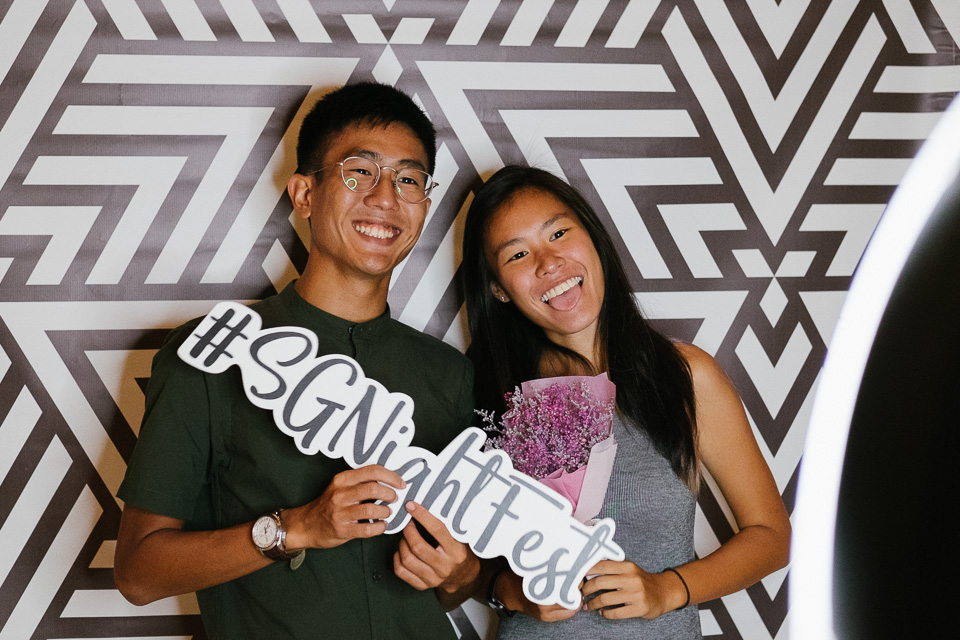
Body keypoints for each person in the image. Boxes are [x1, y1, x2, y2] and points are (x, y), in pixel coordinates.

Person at [114, 83, 482, 639]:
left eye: (409, 179)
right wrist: (298, 528)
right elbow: (138, 573)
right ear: (305, 194)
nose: (386, 197)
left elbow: (458, 585)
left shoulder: (448, 373)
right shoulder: (217, 351)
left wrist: (461, 572)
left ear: (425, 206)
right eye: (360, 171)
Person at [461, 165, 790, 638]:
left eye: (558, 232)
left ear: (593, 238)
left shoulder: (684, 375)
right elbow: (454, 563)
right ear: (497, 288)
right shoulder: (486, 396)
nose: (548, 262)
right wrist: (508, 591)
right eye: (517, 254)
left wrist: (667, 589)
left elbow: (772, 537)